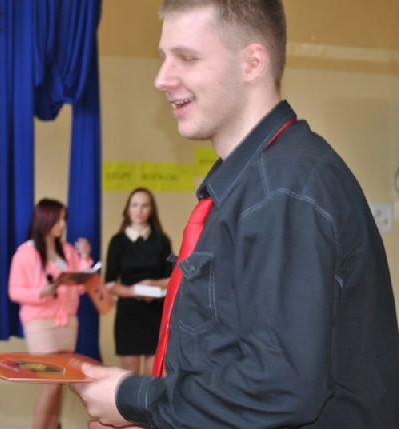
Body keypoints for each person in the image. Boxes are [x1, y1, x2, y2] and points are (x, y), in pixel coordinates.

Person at [73, 1, 399, 428]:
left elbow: (278, 391)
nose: (161, 78)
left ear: (252, 63)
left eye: (187, 58)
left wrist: (132, 397)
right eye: (164, 57)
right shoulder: (249, 184)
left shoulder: (283, 190)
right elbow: (228, 361)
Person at [8, 198, 93, 429]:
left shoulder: (67, 251)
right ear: (45, 220)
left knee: (59, 382)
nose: (62, 224)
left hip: (67, 323)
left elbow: (81, 286)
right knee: (51, 382)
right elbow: (14, 291)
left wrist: (85, 257)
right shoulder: (26, 252)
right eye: (58, 219)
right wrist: (41, 292)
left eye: (64, 219)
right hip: (41, 324)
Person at [105, 187, 172, 375]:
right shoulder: (117, 242)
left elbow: (172, 279)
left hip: (155, 313)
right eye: (134, 205)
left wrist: (153, 284)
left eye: (144, 206)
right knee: (130, 377)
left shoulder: (162, 241)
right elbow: (110, 283)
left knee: (153, 377)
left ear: (151, 210)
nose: (139, 210)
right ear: (127, 209)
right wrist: (133, 291)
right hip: (128, 314)